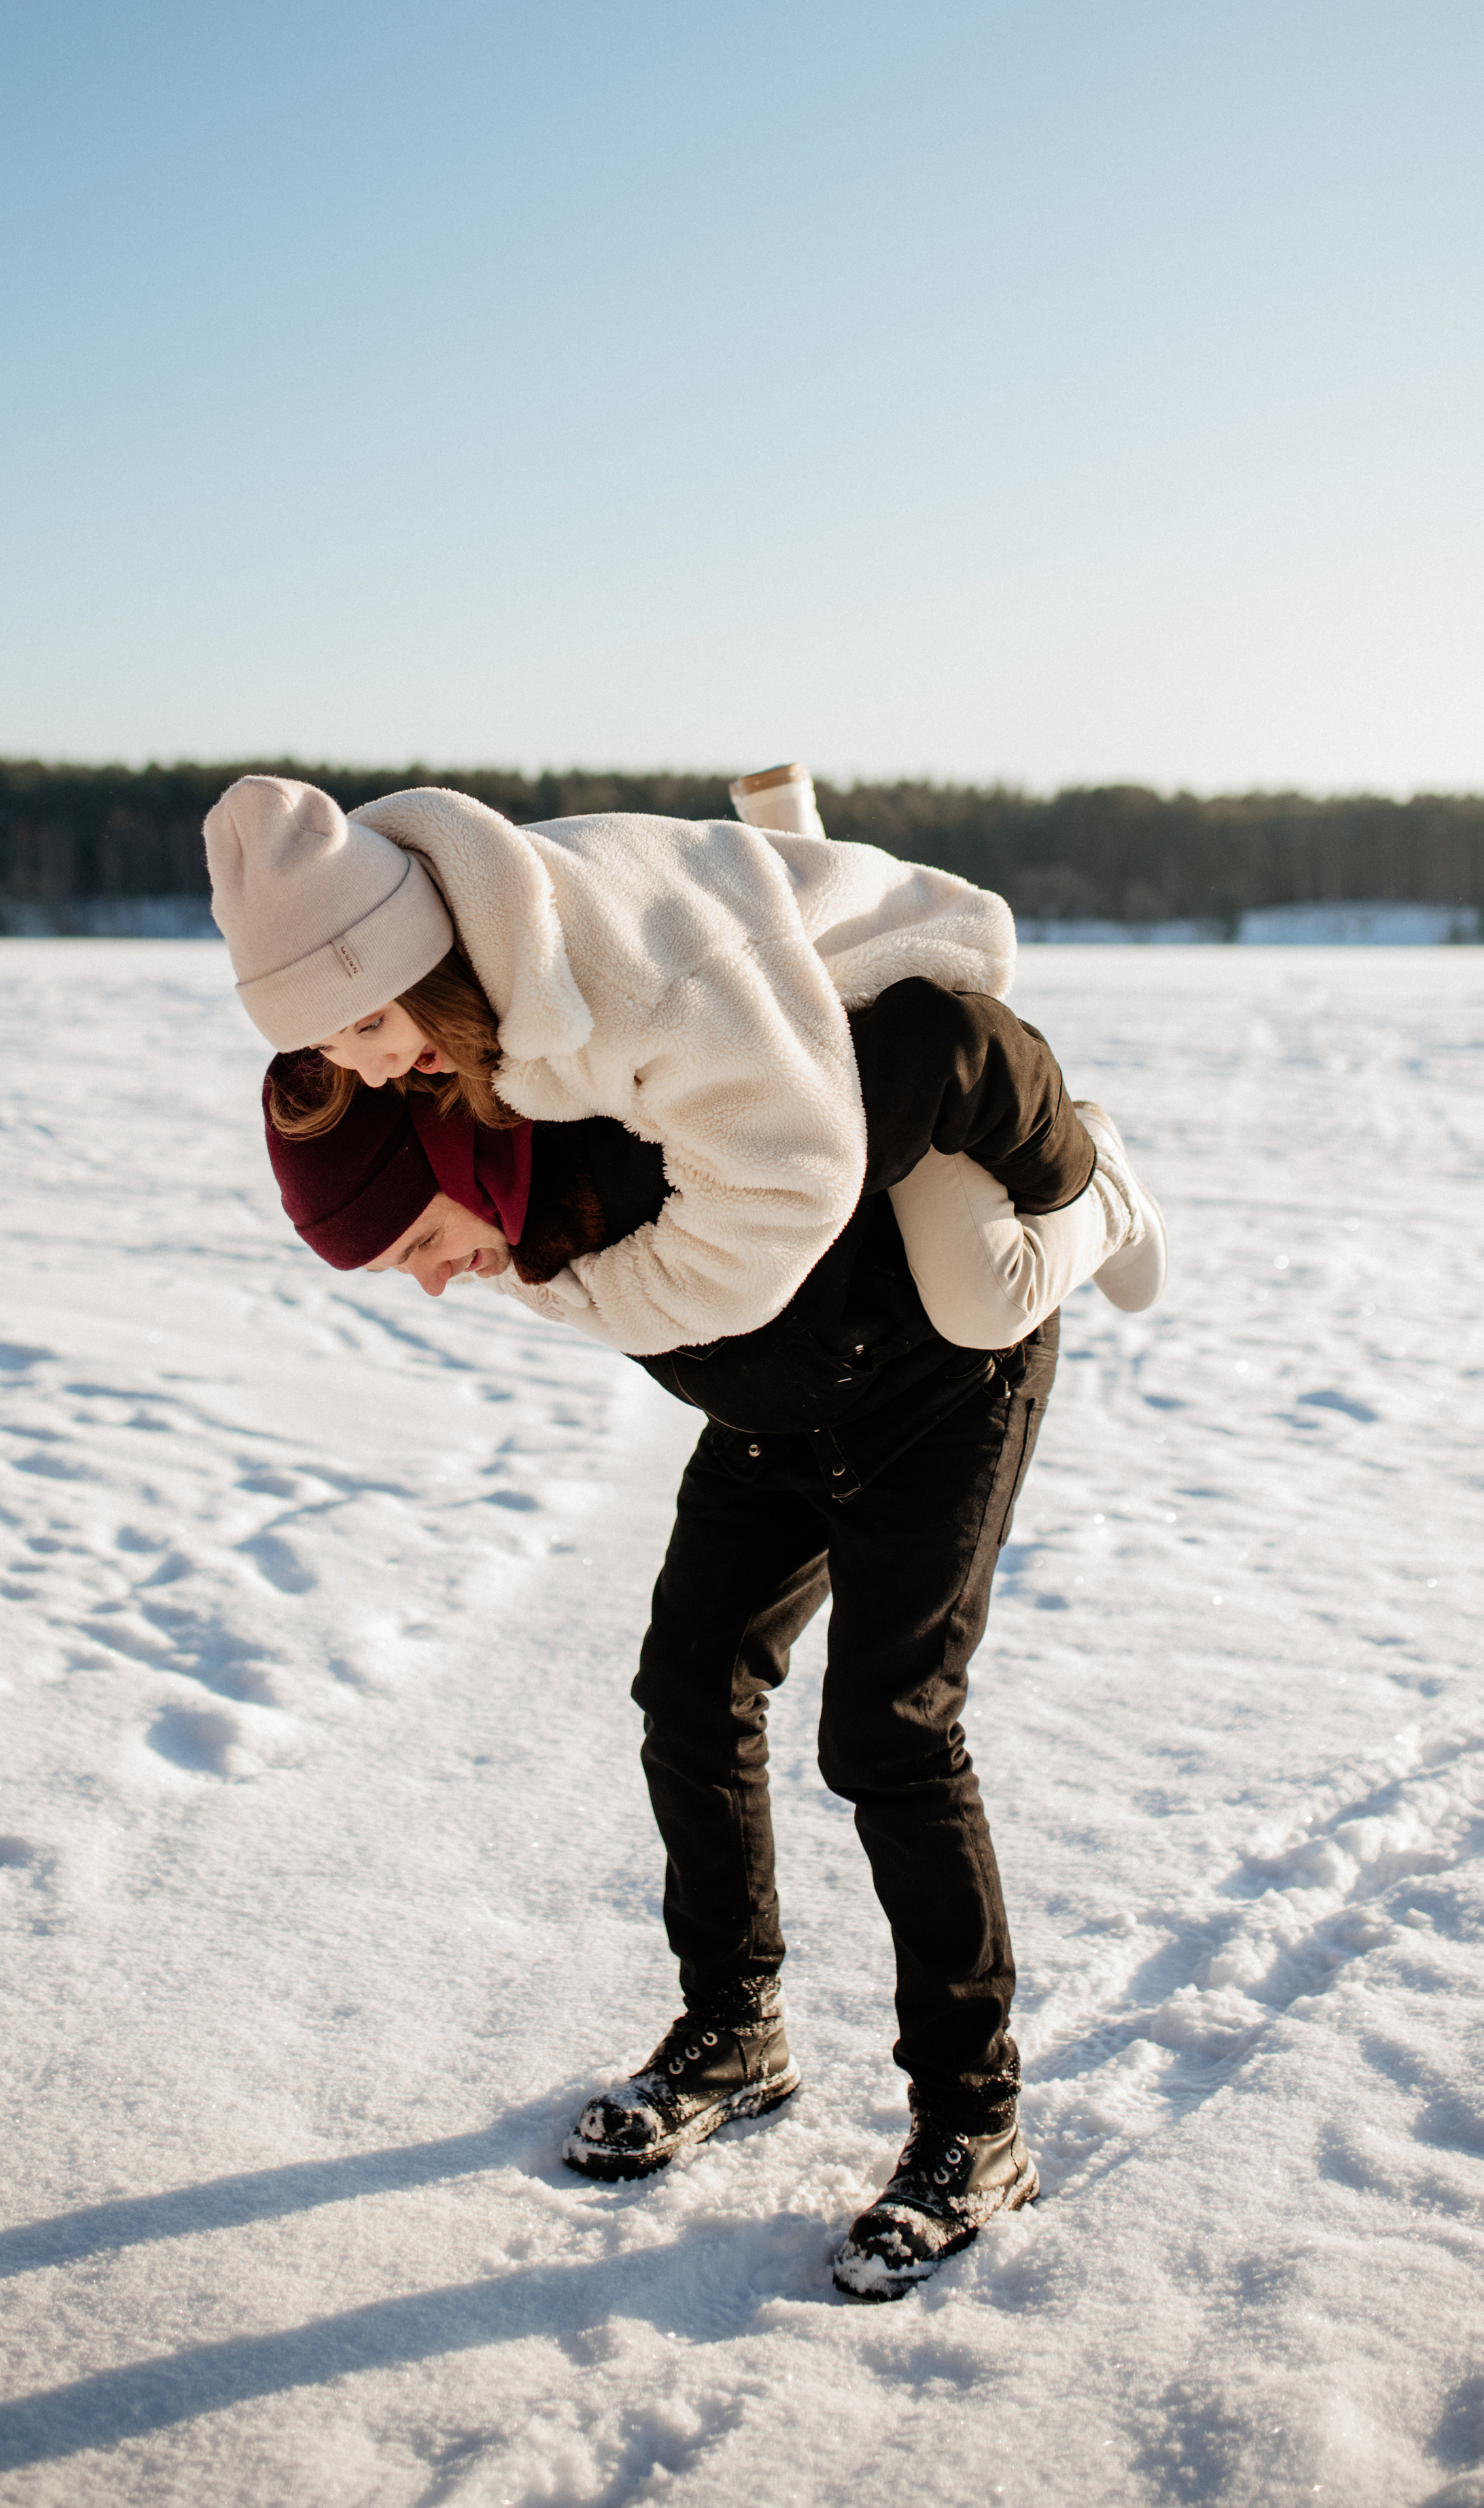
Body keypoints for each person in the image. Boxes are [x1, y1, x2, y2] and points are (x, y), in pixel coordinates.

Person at [208, 770, 1167, 2302]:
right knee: (688, 1685)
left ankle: (971, 2125)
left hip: (935, 1364)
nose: (441, 1285)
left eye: (420, 1249)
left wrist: (1051, 1167)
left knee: (888, 1734)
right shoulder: (521, 1116)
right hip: (780, 1405)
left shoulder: (667, 1041)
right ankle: (735, 2032)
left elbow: (931, 1053)